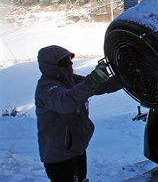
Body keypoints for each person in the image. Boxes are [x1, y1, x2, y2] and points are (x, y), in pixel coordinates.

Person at [35, 45, 121, 182]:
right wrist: (93, 79)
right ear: (52, 65)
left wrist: (125, 77)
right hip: (59, 157)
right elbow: (66, 103)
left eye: (70, 59)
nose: (70, 64)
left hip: (76, 149)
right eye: (65, 61)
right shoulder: (46, 87)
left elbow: (99, 87)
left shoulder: (70, 79)